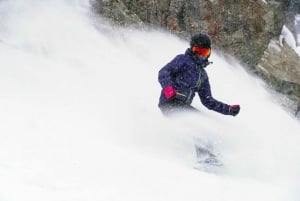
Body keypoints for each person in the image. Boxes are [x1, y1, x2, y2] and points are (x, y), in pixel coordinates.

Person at [158, 33, 240, 116]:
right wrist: (168, 88)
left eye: (204, 52)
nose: (200, 55)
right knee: (199, 120)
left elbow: (207, 100)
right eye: (197, 51)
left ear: (209, 53)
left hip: (182, 105)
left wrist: (228, 109)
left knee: (203, 121)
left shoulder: (203, 76)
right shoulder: (183, 59)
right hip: (170, 101)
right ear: (192, 49)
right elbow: (164, 72)